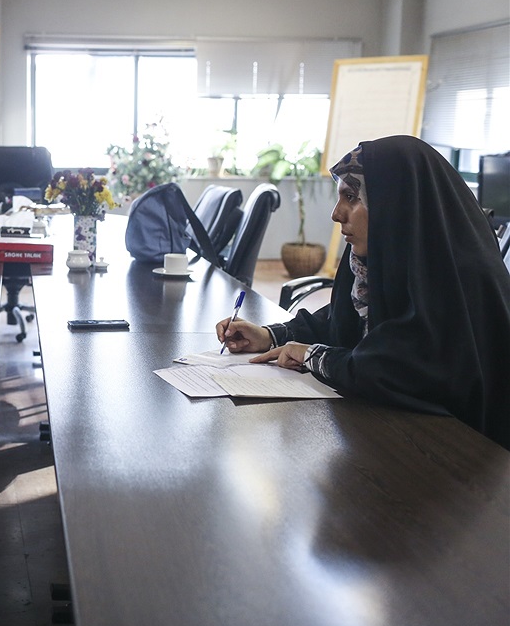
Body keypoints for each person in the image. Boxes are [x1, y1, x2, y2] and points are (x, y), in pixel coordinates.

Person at [217, 135, 510, 449]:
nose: (337, 213)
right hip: (391, 436)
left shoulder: (457, 272)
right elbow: (342, 322)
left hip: (460, 452)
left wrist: (312, 355)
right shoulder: (384, 254)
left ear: (395, 203)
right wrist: (271, 336)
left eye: (351, 197)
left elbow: (402, 367)